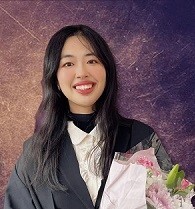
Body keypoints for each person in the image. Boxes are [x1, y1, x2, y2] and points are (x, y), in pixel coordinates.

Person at [4, 25, 172, 209]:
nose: (82, 72)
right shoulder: (36, 154)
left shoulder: (141, 137)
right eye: (68, 64)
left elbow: (171, 200)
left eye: (92, 61)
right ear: (55, 78)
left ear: (107, 70)